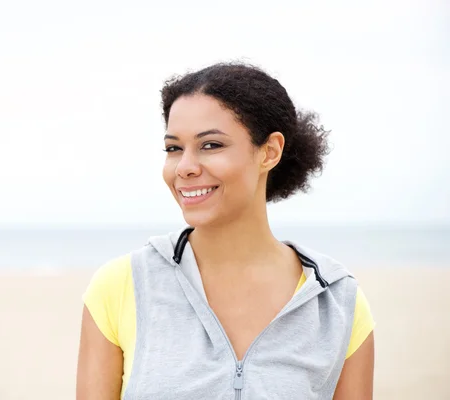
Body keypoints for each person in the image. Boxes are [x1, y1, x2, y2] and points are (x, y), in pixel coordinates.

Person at [76, 62, 375, 399]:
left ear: (269, 152)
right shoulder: (120, 286)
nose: (185, 167)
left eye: (210, 145)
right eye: (174, 148)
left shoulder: (336, 302)